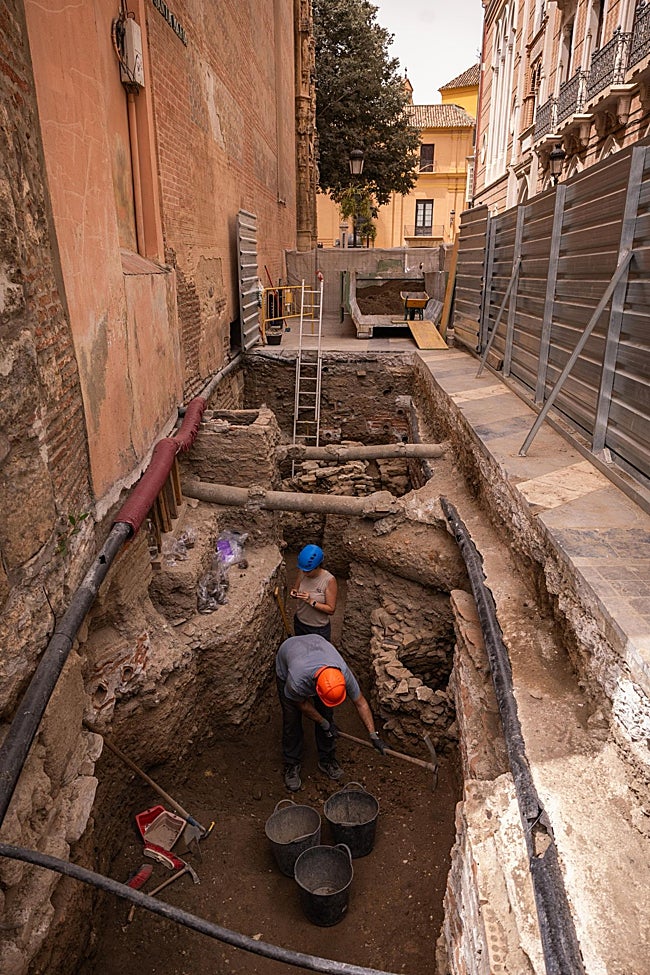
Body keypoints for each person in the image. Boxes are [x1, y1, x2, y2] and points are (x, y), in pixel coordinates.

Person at [276, 633, 387, 792]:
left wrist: (373, 734)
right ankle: (291, 763)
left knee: (327, 714)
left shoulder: (342, 673)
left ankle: (327, 759)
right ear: (317, 690)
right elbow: (302, 704)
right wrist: (323, 723)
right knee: (291, 721)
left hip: (317, 645)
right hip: (289, 655)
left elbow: (361, 703)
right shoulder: (296, 680)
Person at [291, 544, 337, 641]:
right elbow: (296, 589)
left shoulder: (329, 580)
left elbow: (331, 610)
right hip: (300, 622)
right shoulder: (303, 572)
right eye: (303, 570)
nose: (304, 573)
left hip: (318, 628)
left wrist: (311, 601)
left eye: (308, 571)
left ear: (317, 566)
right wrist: (294, 593)